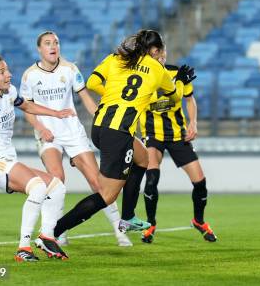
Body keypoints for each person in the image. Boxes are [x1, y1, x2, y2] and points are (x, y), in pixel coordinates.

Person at [52, 30, 196, 248]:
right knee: (106, 196)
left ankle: (128, 216)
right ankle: (52, 232)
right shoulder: (157, 68)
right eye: (162, 50)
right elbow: (174, 96)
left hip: (100, 126)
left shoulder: (117, 57)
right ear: (155, 50)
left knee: (143, 158)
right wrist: (182, 82)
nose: (164, 55)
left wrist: (114, 94)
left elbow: (91, 83)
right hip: (118, 133)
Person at [0, 51, 74, 261]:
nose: (8, 74)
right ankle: (23, 248)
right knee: (37, 187)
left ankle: (46, 236)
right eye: (2, 72)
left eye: (7, 69)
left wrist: (55, 113)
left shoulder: (9, 91)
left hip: (9, 160)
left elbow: (26, 105)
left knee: (56, 186)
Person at [20, 31, 131, 247]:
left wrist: (102, 119)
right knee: (56, 180)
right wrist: (40, 127)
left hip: (72, 131)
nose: (53, 46)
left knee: (97, 182)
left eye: (56, 43)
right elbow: (27, 108)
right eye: (48, 43)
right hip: (48, 133)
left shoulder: (70, 69)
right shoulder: (30, 75)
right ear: (39, 49)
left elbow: (86, 99)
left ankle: (119, 230)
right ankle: (55, 231)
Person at [133, 49, 216, 243]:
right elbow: (150, 103)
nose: (160, 58)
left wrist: (193, 122)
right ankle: (150, 223)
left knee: (200, 182)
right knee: (152, 178)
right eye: (156, 55)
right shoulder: (141, 77)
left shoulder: (176, 73)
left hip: (178, 135)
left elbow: (189, 99)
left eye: (162, 54)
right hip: (152, 135)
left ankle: (199, 221)